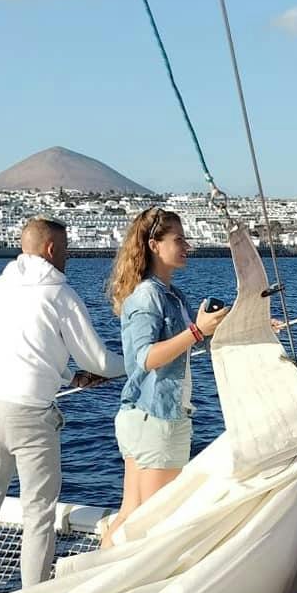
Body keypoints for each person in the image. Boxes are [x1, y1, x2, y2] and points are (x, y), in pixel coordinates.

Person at [0, 217, 123, 593]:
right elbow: (99, 359)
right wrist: (138, 362)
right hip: (30, 415)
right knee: (38, 512)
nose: (69, 256)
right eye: (65, 249)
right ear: (49, 250)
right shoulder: (61, 296)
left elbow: (17, 348)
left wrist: (66, 376)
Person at [104, 206, 228, 545]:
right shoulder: (148, 296)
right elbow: (145, 357)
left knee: (132, 513)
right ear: (154, 245)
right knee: (152, 523)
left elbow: (184, 342)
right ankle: (104, 588)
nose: (187, 246)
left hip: (146, 417)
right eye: (178, 239)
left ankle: (88, 581)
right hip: (155, 420)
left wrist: (231, 327)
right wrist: (197, 331)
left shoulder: (171, 295)